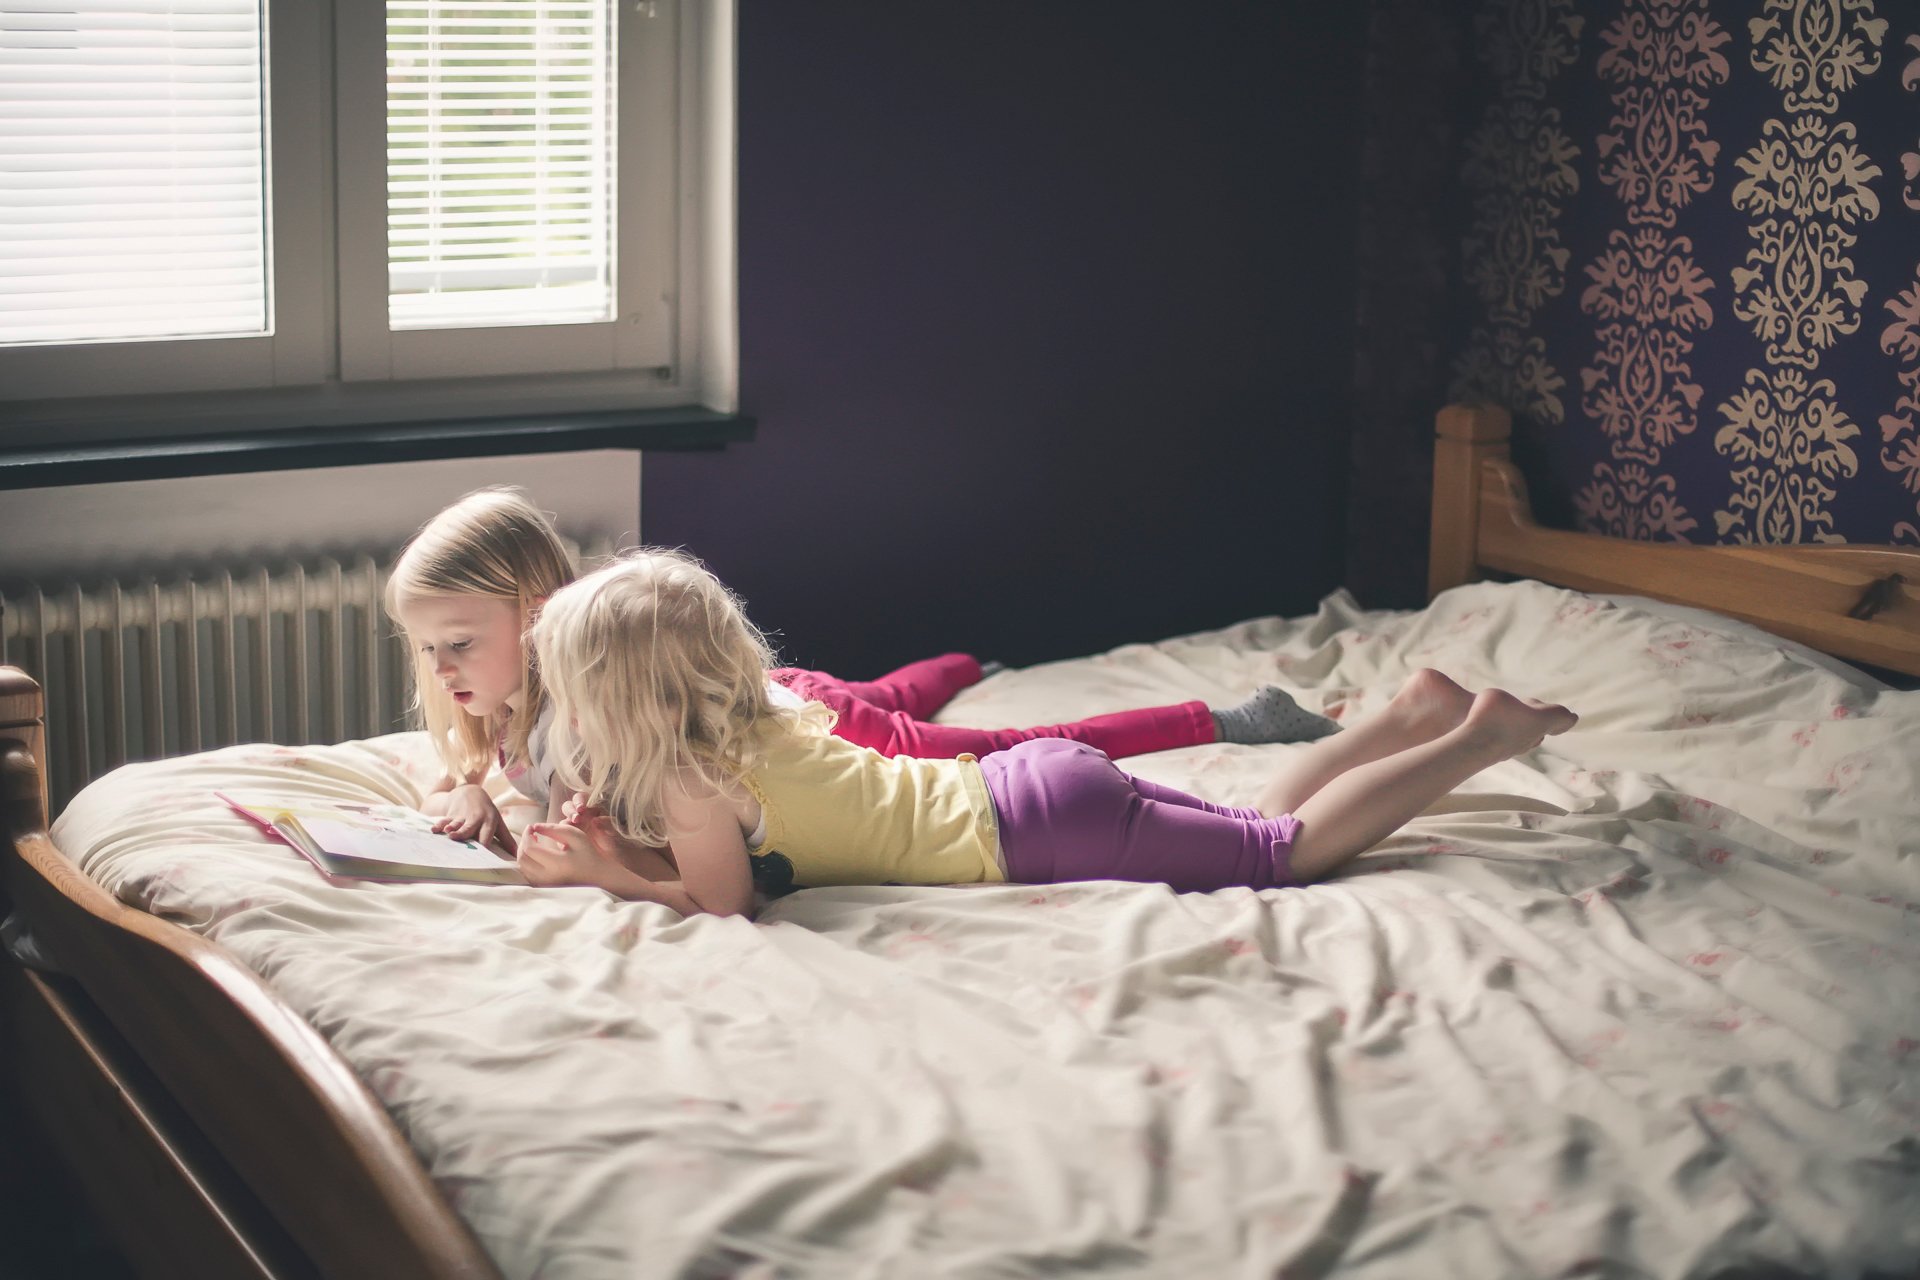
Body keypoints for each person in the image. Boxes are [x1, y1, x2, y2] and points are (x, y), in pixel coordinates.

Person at [517, 549, 1579, 915]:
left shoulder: (697, 785)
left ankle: (1473, 737)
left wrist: (609, 874)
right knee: (1255, 819)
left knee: (1282, 854)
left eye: (582, 696)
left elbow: (721, 898)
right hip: (1038, 784)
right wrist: (622, 839)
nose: (571, 717)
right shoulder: (768, 712)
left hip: (1036, 833)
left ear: (645, 705)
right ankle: (1406, 713)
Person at [384, 488, 1335, 854]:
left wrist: (504, 805)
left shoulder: (598, 690)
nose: (443, 669)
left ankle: (1221, 719)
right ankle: (965, 661)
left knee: (974, 740)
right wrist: (467, 786)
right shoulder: (513, 698)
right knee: (883, 693)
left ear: (537, 613)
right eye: (430, 651)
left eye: (458, 644)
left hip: (799, 722)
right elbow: (468, 761)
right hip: (779, 708)